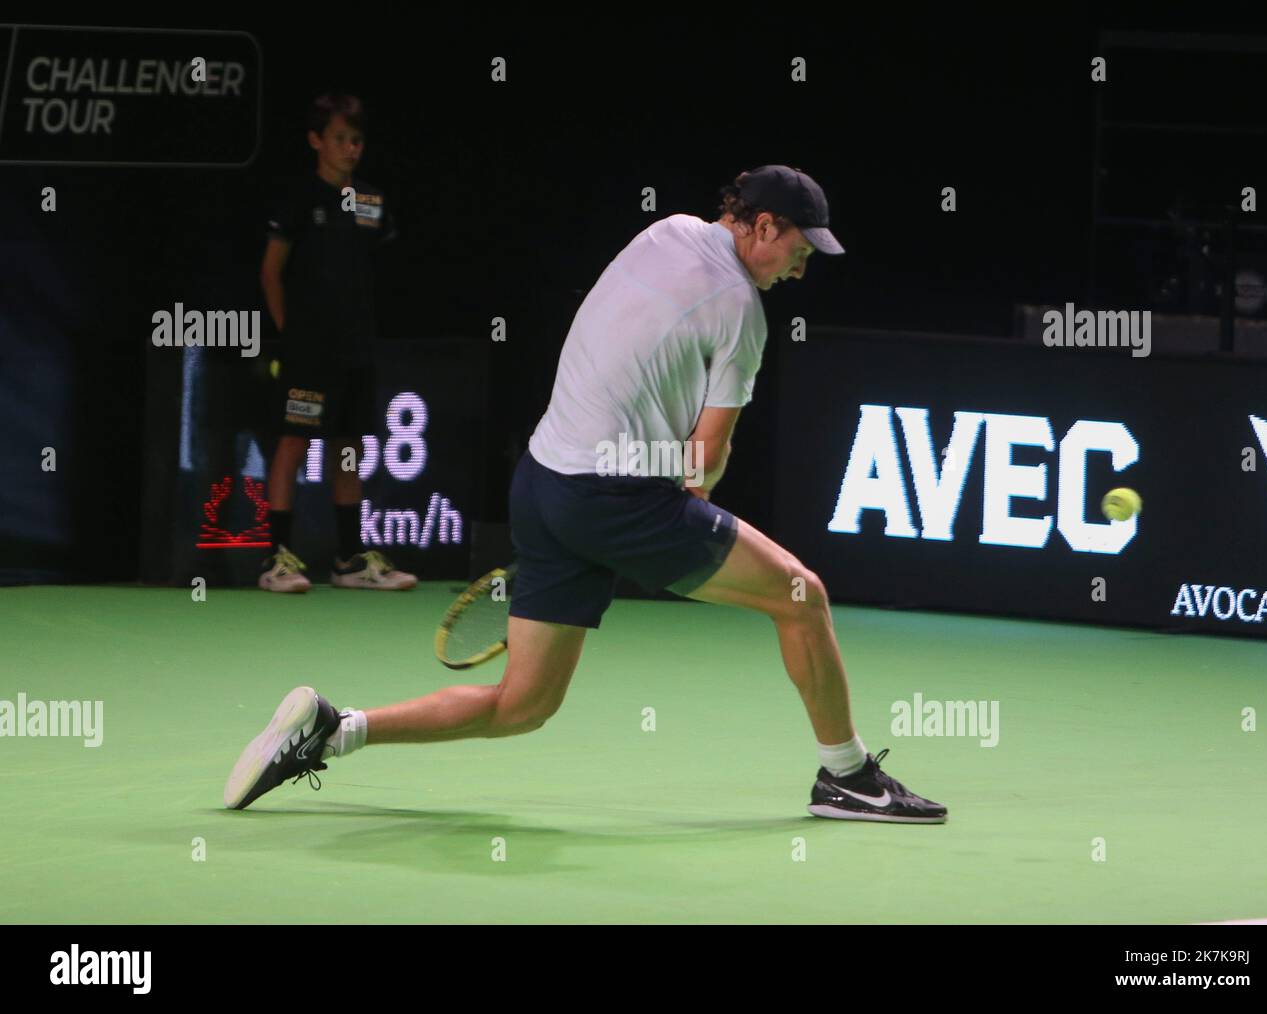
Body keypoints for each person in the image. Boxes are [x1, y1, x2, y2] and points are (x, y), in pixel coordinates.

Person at [226, 165, 947, 824]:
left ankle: (332, 729)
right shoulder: (743, 315)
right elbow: (706, 462)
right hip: (612, 499)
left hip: (542, 483)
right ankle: (848, 777)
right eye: (799, 247)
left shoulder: (664, 230)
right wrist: (681, 480)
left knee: (523, 705)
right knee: (801, 596)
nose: (802, 264)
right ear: (762, 226)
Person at [257, 91, 415, 593]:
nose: (350, 149)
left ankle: (348, 561)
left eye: (356, 140)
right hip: (309, 354)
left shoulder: (370, 200)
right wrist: (292, 335)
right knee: (294, 444)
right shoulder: (299, 200)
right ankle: (276, 560)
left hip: (356, 352)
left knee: (348, 448)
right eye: (340, 139)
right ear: (315, 141)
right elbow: (270, 273)